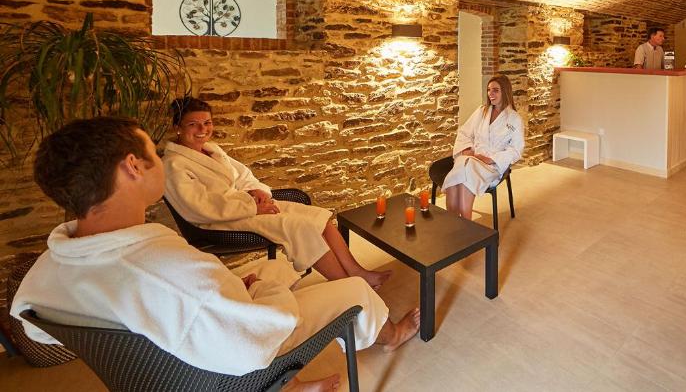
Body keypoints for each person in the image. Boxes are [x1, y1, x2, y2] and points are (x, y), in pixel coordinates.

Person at [11, 117, 420, 391]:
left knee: (283, 257)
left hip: (155, 373)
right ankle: (391, 335)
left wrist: (216, 295)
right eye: (153, 152)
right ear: (133, 166)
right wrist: (263, 289)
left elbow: (37, 330)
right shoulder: (171, 266)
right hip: (213, 375)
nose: (161, 159)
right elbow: (256, 337)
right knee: (350, 291)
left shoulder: (47, 271)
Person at [162, 97, 390, 288]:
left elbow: (241, 175)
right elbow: (200, 207)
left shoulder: (212, 150)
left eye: (207, 122)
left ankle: (358, 272)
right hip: (219, 221)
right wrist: (253, 207)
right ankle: (348, 286)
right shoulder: (174, 165)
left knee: (318, 217)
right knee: (299, 227)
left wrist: (256, 191)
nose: (203, 130)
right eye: (194, 124)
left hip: (246, 205)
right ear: (178, 127)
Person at [443, 75, 524, 222]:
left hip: (491, 165)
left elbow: (516, 150)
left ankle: (463, 223)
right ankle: (455, 223)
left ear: (505, 92)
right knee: (462, 167)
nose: (490, 94)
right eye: (488, 90)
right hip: (473, 157)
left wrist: (491, 159)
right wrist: (467, 149)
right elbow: (464, 132)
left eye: (495, 90)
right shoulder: (482, 111)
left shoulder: (514, 119)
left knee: (463, 172)